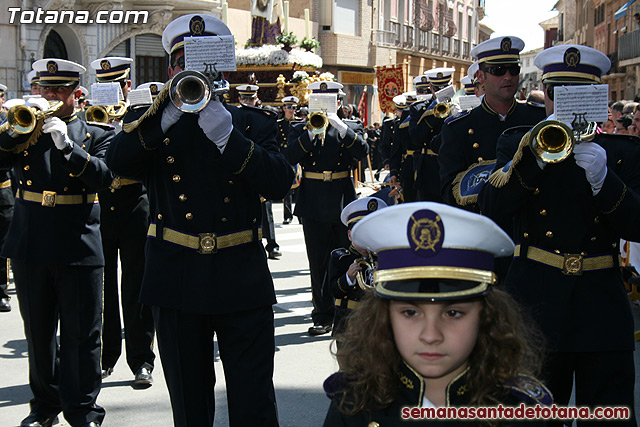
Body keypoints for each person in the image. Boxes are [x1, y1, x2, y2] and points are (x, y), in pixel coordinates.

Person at [106, 13, 292, 426]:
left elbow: (280, 183)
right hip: (176, 277)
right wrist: (161, 120)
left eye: (202, 63)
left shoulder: (249, 123)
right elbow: (116, 164)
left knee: (254, 405)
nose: (190, 72)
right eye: (181, 63)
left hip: (240, 273)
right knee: (190, 409)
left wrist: (230, 138)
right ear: (172, 68)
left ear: (221, 67)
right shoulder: (154, 126)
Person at [478, 44, 640, 425]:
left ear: (597, 97)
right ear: (547, 95)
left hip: (599, 301)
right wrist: (533, 156)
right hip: (536, 301)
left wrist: (605, 181)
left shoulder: (621, 153)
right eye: (557, 93)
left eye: (578, 93)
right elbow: (492, 205)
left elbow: (637, 225)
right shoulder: (517, 143)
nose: (563, 103)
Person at [323, 202, 552, 425]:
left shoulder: (522, 412)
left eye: (452, 313)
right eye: (410, 313)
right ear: (384, 317)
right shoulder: (353, 406)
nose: (431, 336)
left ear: (485, 317)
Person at [0, 58, 114, 427]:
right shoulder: (23, 130)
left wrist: (68, 148)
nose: (49, 96)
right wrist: (14, 133)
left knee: (82, 335)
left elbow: (104, 177)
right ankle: (44, 405)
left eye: (58, 90)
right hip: (31, 240)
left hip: (77, 241)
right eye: (44, 89)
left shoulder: (96, 133)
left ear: (76, 95)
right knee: (38, 334)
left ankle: (82, 408)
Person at [89, 56, 156, 388]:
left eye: (114, 86)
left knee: (137, 283)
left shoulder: (140, 114)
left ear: (127, 86)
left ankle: (141, 359)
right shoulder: (90, 118)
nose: (108, 93)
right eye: (102, 87)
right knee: (103, 286)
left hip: (134, 204)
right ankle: (105, 356)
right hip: (102, 205)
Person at [286, 80, 369, 336]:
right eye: (319, 102)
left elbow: (362, 151)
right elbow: (289, 156)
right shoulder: (302, 128)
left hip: (342, 200)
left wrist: (339, 124)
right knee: (318, 262)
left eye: (329, 101)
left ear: (340, 102)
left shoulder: (350, 127)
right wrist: (311, 133)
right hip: (312, 201)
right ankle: (321, 314)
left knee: (344, 257)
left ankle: (345, 310)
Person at [438, 36, 546, 213]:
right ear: (480, 76)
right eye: (498, 70)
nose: (508, 76)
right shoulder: (458, 128)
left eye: (513, 69)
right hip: (485, 224)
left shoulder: (538, 118)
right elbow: (450, 191)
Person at [329, 196, 387, 338]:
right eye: (361, 237)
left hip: (377, 322)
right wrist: (348, 278)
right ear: (350, 235)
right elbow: (334, 291)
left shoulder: (383, 258)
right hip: (349, 322)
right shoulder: (341, 258)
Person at [410, 68, 456, 202]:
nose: (440, 91)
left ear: (451, 84)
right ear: (431, 87)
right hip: (429, 170)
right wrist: (433, 111)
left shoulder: (457, 107)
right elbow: (415, 137)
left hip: (453, 166)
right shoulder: (419, 108)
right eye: (437, 88)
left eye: (445, 87)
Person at [277, 95, 301, 225]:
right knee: (286, 188)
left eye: (293, 108)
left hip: (297, 157)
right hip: (284, 157)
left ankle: (301, 214)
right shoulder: (279, 124)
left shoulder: (299, 123)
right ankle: (288, 215)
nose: (291, 110)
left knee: (300, 187)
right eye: (288, 107)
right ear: (283, 108)